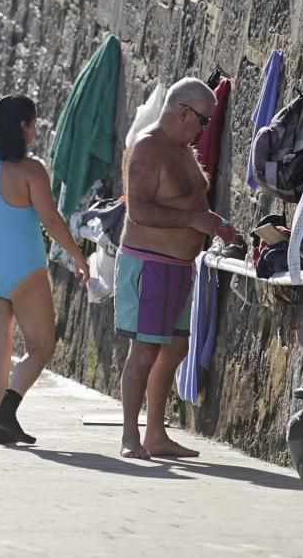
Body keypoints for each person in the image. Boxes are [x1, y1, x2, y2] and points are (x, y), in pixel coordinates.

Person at [116, 77, 238, 459]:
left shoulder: (181, 148)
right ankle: (129, 437)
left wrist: (211, 223)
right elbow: (139, 211)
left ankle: (155, 434)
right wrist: (193, 222)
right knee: (145, 351)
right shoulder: (149, 147)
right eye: (203, 121)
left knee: (176, 347)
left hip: (179, 268)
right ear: (184, 112)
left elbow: (187, 205)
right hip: (150, 265)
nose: (204, 130)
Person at [0, 95, 89, 444]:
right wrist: (77, 255)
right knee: (42, 347)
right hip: (23, 269)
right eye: (33, 123)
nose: (36, 130)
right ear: (21, 126)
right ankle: (7, 413)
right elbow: (50, 219)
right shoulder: (32, 170)